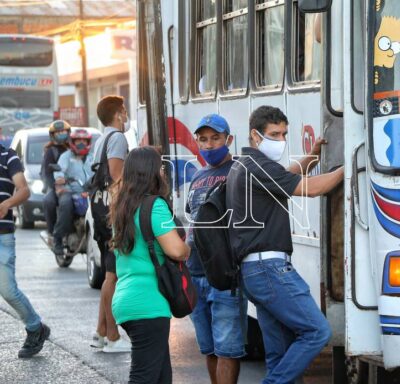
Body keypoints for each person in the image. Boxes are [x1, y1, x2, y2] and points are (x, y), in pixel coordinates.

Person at [226, 105, 344, 384]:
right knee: (317, 332)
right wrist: (348, 167)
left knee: (279, 354)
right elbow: (312, 188)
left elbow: (288, 175)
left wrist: (312, 157)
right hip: (270, 270)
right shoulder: (258, 167)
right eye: (274, 134)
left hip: (255, 273)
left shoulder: (245, 165)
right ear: (255, 136)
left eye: (284, 134)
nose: (281, 140)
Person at [111, 146, 190, 383]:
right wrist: (188, 247)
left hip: (126, 300)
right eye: (161, 167)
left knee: (161, 377)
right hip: (148, 303)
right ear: (153, 172)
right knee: (143, 378)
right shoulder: (154, 205)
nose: (164, 172)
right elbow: (176, 250)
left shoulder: (122, 207)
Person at [186, 114, 248, 384]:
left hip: (225, 277)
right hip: (195, 274)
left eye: (215, 138)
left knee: (227, 349)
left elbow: (281, 178)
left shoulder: (240, 170)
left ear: (229, 140)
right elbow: (193, 223)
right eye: (203, 139)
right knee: (209, 348)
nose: (209, 145)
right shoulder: (197, 176)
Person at [0, 144, 50, 358]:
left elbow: (24, 189)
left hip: (2, 235)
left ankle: (35, 327)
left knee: (8, 290)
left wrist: (7, 204)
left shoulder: (7, 155)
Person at [90, 95, 130, 353]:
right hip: (110, 211)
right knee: (113, 275)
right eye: (124, 112)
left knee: (108, 271)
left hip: (98, 207)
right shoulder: (117, 138)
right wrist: (121, 214)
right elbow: (116, 177)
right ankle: (113, 337)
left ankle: (101, 331)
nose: (126, 117)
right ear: (118, 114)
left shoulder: (100, 139)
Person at [52, 128, 93, 256]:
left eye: (84, 141)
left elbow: (100, 171)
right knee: (66, 204)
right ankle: (58, 239)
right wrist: (60, 178)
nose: (81, 143)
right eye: (78, 140)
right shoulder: (66, 156)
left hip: (90, 192)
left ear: (88, 142)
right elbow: (59, 171)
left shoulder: (93, 157)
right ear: (72, 142)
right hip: (71, 191)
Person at [41, 120, 70, 246]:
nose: (61, 134)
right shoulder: (50, 151)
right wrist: (55, 186)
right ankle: (52, 233)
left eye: (63, 131)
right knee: (49, 201)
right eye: (58, 132)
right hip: (55, 186)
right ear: (52, 135)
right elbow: (46, 173)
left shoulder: (73, 148)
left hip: (73, 185)